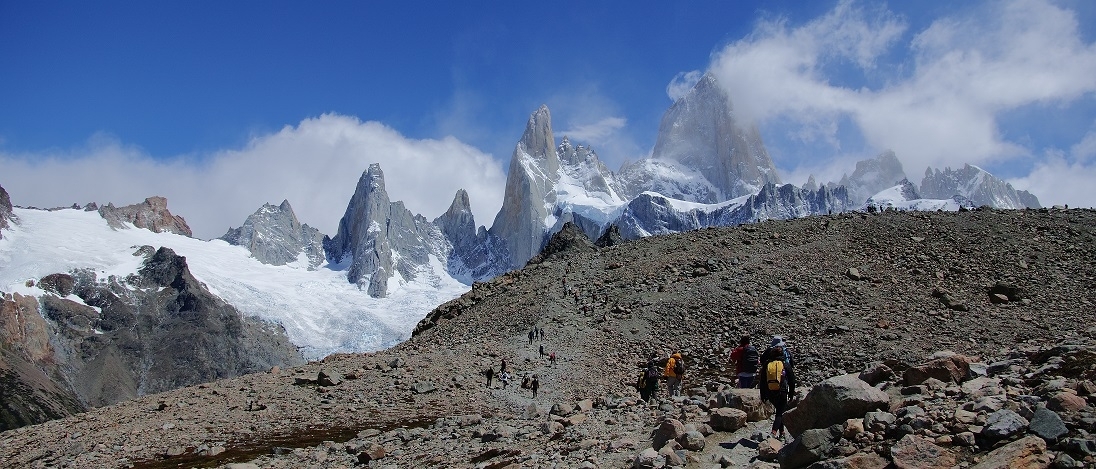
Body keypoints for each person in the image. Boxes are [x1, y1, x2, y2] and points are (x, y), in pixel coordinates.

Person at [759, 335, 796, 440]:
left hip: (770, 391)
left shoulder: (767, 364)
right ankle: (773, 432)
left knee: (779, 410)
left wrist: (763, 395)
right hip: (782, 390)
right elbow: (792, 380)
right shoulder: (785, 364)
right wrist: (791, 393)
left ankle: (782, 432)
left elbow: (762, 381)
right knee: (780, 413)